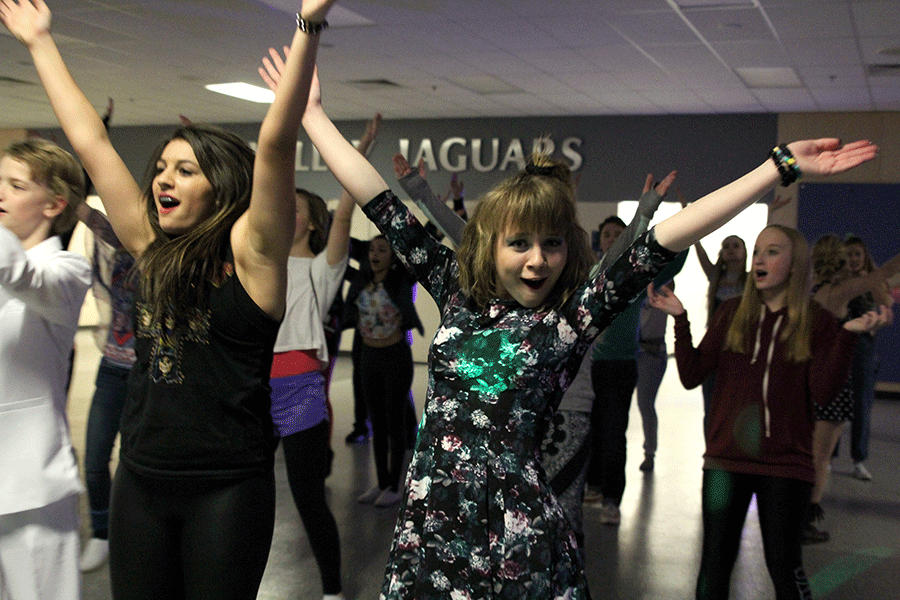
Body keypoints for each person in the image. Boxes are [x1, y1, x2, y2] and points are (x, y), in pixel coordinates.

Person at [294, 49, 879, 597]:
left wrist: (775, 167)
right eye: (519, 243)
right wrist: (313, 114)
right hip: (430, 532)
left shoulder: (568, 320)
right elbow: (378, 200)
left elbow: (666, 237)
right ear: (491, 247)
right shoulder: (459, 294)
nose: (536, 259)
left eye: (550, 244)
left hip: (517, 541)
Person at [1, 0, 336, 598]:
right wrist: (39, 41)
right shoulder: (149, 247)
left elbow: (275, 145)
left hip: (227, 487)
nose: (162, 179)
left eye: (184, 171)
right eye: (161, 167)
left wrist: (307, 25)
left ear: (221, 187)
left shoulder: (255, 260)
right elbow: (91, 142)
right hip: (143, 481)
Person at [647, 224, 890, 599]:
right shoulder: (731, 313)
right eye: (758, 250)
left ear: (795, 266)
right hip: (725, 462)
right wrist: (680, 320)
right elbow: (692, 374)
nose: (759, 258)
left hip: (786, 465)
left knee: (784, 565)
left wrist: (847, 336)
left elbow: (825, 392)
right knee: (714, 565)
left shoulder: (817, 320)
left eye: (772, 251)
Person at [543, 172, 676, 541]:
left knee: (612, 433)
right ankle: (593, 488)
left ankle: (610, 498)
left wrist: (644, 214)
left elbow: (635, 257)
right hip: (568, 386)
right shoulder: (564, 280)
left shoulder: (613, 278)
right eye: (607, 235)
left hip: (616, 368)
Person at [0, 138, 91, 600]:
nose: (0, 194)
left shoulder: (66, 270)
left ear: (55, 204)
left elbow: (23, 276)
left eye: (14, 185)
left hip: (31, 482)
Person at [803, 234, 896, 543]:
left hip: (808, 376)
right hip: (833, 379)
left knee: (810, 454)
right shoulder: (840, 291)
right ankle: (805, 518)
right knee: (820, 457)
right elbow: (881, 274)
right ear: (839, 262)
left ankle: (795, 513)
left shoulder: (810, 290)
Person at [75, 201, 138, 572]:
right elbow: (95, 219)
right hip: (111, 368)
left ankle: (131, 534)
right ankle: (101, 533)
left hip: (147, 376)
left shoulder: (162, 255)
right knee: (96, 460)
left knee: (134, 466)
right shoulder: (117, 248)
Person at [342, 234, 424, 507]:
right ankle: (381, 483)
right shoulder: (361, 280)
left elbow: (416, 253)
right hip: (368, 355)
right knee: (376, 422)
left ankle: (394, 486)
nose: (375, 254)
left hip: (395, 356)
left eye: (382, 249)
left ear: (392, 256)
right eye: (372, 250)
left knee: (394, 421)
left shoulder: (400, 280)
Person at [841, 235, 900, 480]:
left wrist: (880, 320)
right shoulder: (837, 280)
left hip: (863, 345)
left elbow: (887, 305)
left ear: (864, 256)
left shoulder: (873, 281)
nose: (853, 259)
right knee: (832, 400)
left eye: (857, 254)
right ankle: (829, 457)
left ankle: (858, 460)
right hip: (837, 342)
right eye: (849, 254)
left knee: (862, 403)